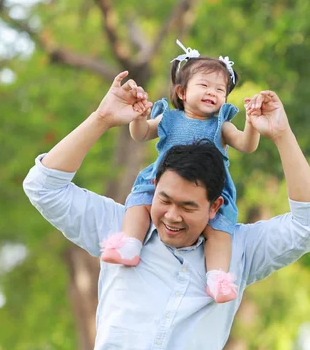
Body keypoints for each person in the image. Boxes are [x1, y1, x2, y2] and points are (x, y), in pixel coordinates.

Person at [23, 70, 310, 350]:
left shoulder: (239, 251)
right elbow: (43, 187)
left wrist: (282, 136)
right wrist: (102, 118)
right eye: (164, 200)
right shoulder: (120, 227)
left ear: (215, 207)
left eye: (188, 207)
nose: (171, 216)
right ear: (154, 185)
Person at [100, 41, 259, 303]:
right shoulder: (170, 119)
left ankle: (217, 278)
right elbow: (139, 135)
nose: (213, 93)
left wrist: (253, 124)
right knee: (139, 203)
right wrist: (138, 117)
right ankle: (129, 244)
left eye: (220, 89)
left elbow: (246, 145)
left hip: (208, 189)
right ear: (182, 92)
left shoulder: (222, 125)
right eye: (204, 86)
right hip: (163, 180)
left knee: (219, 229)